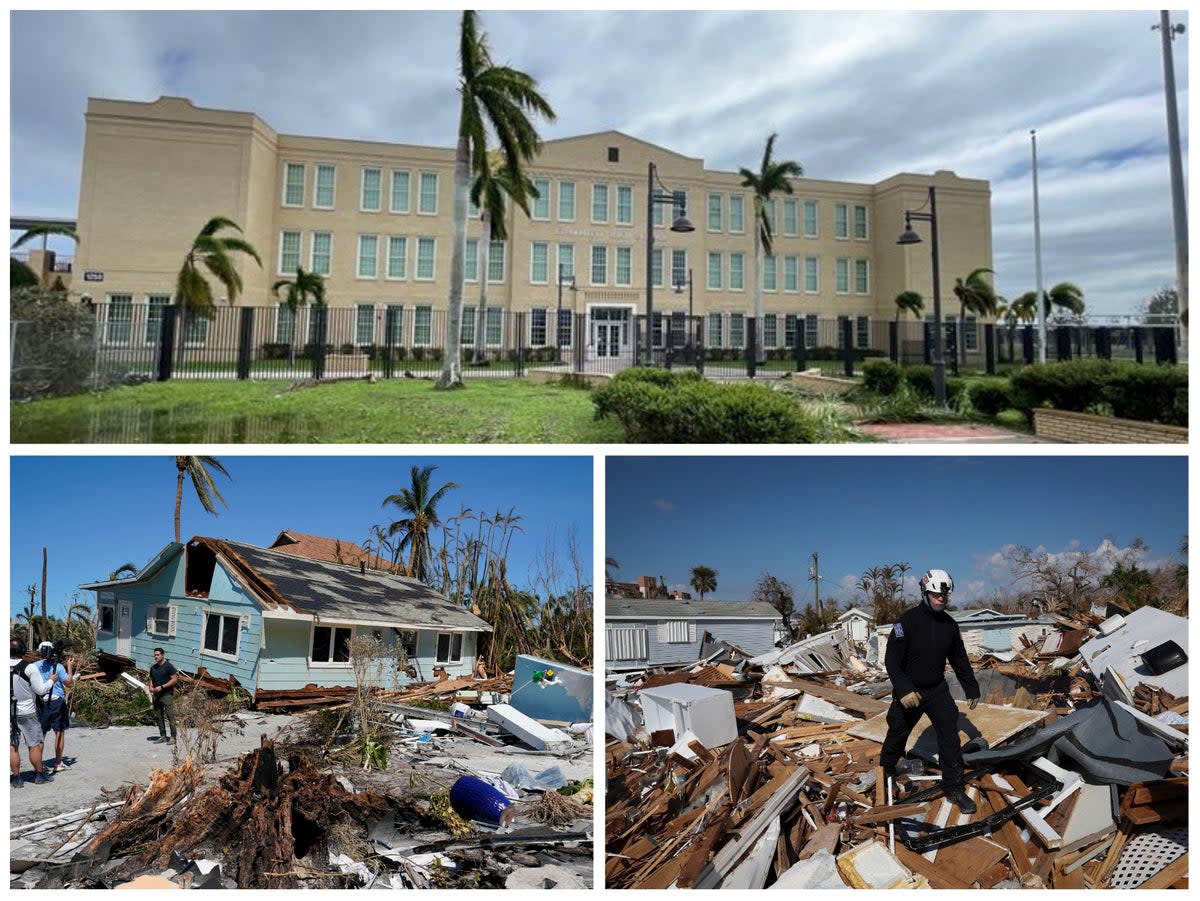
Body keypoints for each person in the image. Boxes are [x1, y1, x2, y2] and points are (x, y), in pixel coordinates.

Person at [881, 568, 981, 814]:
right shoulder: (906, 622)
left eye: (944, 596)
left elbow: (959, 659)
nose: (941, 599)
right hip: (910, 692)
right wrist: (904, 689)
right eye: (936, 595)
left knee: (949, 737)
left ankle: (953, 788)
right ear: (925, 593)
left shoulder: (950, 625)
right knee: (897, 732)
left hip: (936, 691)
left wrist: (971, 687)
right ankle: (886, 774)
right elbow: (892, 660)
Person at [10, 639, 55, 787]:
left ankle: (17, 778)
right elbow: (41, 690)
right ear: (23, 651)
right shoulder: (29, 668)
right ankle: (39, 775)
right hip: (27, 711)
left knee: (12, 746)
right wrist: (51, 680)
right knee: (34, 744)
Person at [35, 640, 75, 772]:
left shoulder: (34, 666)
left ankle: (39, 765)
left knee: (41, 734)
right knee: (59, 733)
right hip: (57, 702)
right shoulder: (58, 667)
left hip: (41, 702)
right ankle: (58, 763)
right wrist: (69, 667)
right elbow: (69, 683)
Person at [147, 647, 179, 744]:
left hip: (166, 694)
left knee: (170, 716)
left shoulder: (168, 666)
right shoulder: (153, 668)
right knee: (159, 716)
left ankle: (173, 737)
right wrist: (151, 687)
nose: (155, 657)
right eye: (155, 655)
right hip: (156, 695)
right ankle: (163, 736)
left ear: (162, 655)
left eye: (157, 655)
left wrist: (162, 687)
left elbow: (174, 679)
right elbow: (151, 679)